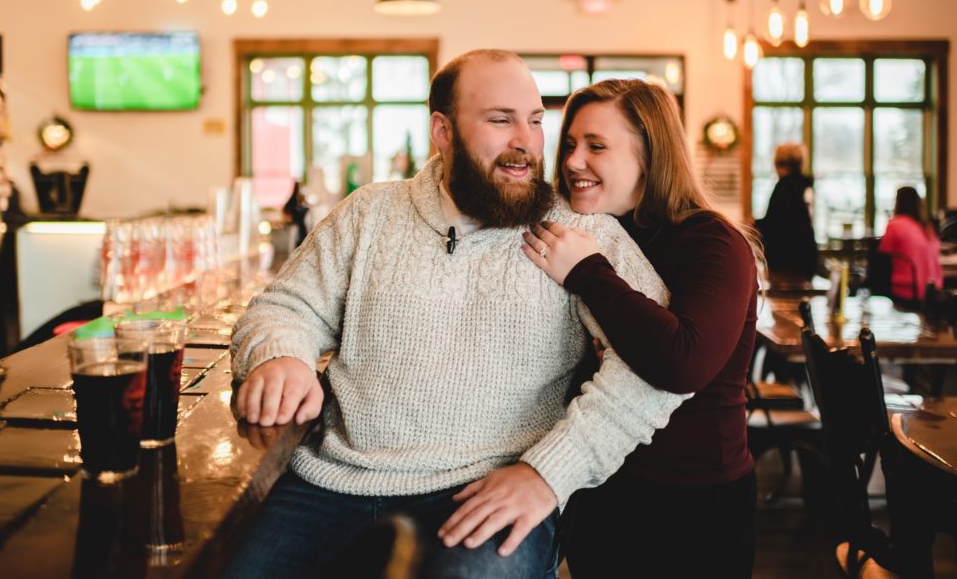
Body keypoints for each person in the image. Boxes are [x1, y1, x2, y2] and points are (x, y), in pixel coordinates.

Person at [224, 50, 687, 578]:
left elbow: (656, 370)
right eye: (500, 119)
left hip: (486, 490)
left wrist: (549, 473)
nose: (526, 142)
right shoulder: (370, 212)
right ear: (442, 131)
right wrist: (279, 355)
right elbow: (285, 306)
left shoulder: (584, 232)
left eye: (535, 121)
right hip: (329, 483)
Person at [520, 78, 761, 577]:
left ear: (650, 156)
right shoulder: (594, 233)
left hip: (694, 504)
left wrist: (588, 273)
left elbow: (682, 361)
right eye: (569, 145)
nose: (572, 162)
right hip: (600, 490)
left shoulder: (713, 244)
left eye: (597, 146)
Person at [756, 143, 818, 281]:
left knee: (783, 300)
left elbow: (776, 224)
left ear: (778, 164)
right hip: (804, 256)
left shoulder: (784, 187)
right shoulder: (803, 185)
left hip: (785, 259)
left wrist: (753, 225)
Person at [878, 186, 942, 303]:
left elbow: (882, 255)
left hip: (907, 290)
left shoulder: (895, 225)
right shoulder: (927, 227)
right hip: (933, 292)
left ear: (898, 202)